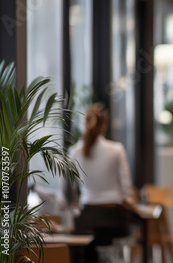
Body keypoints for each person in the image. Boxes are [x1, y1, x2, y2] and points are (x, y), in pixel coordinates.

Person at [68, 103, 134, 263]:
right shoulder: (116, 149)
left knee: (87, 246)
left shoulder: (74, 152)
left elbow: (71, 191)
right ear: (104, 124)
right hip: (114, 219)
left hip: (87, 219)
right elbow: (126, 189)